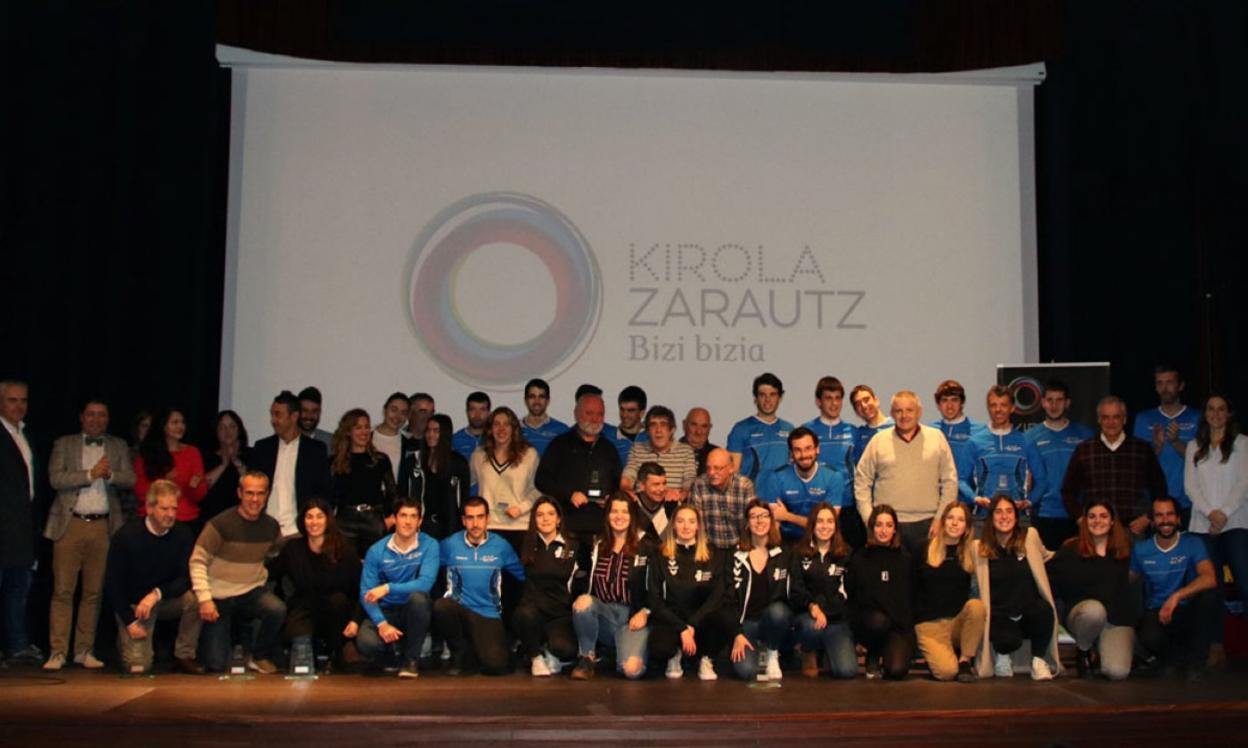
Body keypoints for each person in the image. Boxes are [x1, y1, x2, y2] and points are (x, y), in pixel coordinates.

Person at [43, 396, 136, 670]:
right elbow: (55, 478)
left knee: (93, 592)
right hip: (70, 523)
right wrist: (89, 474)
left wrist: (109, 475)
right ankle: (57, 651)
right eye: (91, 414)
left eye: (102, 415)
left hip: (103, 526)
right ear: (82, 417)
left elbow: (130, 478)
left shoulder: (118, 445)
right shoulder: (64, 443)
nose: (96, 420)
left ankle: (84, 650)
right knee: (63, 590)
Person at [189, 470, 287, 674]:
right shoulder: (219, 524)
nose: (255, 499)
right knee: (216, 665)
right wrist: (205, 599)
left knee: (277, 609)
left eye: (260, 493)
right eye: (249, 493)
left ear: (267, 495)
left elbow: (273, 553)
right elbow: (197, 561)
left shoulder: (271, 526)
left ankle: (258, 656)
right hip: (218, 596)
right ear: (239, 493)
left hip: (251, 592)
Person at [104, 479, 203, 674]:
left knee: (197, 600)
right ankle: (124, 642)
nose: (171, 514)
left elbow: (185, 578)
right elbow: (113, 584)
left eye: (174, 509)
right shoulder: (126, 537)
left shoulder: (182, 534)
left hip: (163, 599)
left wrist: (156, 594)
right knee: (139, 667)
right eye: (164, 509)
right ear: (149, 508)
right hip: (135, 607)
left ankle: (184, 655)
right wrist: (129, 621)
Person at [854, 391, 958, 556]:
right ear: (892, 413)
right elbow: (861, 481)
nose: (904, 416)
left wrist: (940, 518)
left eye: (909, 410)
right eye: (898, 411)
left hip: (929, 525)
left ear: (919, 412)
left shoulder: (936, 438)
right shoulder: (878, 441)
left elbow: (950, 482)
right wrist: (869, 519)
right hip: (888, 526)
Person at [1186, 393, 1247, 667]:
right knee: (1212, 588)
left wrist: (1223, 513)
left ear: (1229, 414)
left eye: (1222, 409)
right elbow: (1190, 487)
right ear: (1205, 414)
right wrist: (1210, 513)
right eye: (1211, 409)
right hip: (1203, 525)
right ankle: (1215, 644)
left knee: (1244, 582)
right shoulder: (1194, 446)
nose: (1216, 414)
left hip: (1236, 523)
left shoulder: (1243, 444)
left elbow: (1244, 483)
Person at [972, 495, 1061, 680]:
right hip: (999, 616)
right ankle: (1002, 656)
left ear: (1016, 515)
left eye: (1009, 511)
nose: (1004, 517)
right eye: (998, 512)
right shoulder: (979, 548)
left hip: (1027, 612)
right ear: (991, 517)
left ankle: (1038, 660)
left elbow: (1048, 557)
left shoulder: (1030, 537)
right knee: (1008, 639)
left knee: (1044, 610)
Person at [269, 497, 363, 673]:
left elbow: (360, 589)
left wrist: (355, 620)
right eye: (309, 517)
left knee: (338, 601)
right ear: (302, 521)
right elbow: (271, 572)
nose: (314, 522)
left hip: (338, 611)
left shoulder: (344, 550)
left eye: (319, 517)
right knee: (296, 639)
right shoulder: (293, 549)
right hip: (304, 608)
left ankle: (337, 652)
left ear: (328, 520)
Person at [435, 496, 526, 676]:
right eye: (470, 518)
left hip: (488, 613)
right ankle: (458, 651)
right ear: (463, 520)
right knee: (441, 606)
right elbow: (429, 569)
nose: (475, 523)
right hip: (459, 609)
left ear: (487, 519)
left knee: (496, 665)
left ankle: (475, 650)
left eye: (480, 517)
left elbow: (522, 576)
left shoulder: (501, 546)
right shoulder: (449, 544)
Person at [1046, 500, 1136, 680]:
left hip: (1115, 619)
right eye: (1092, 516)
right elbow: (1049, 580)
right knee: (1094, 611)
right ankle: (1084, 650)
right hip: (1083, 615)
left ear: (1112, 521)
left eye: (1103, 516)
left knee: (1117, 672)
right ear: (1085, 521)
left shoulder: (1126, 549)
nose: (1098, 521)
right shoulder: (1070, 549)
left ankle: (1102, 649)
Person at [1131, 496, 1219, 679]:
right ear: (1152, 521)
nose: (1165, 520)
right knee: (1148, 635)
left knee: (1209, 598)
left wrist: (1176, 596)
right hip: (1157, 612)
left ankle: (1196, 663)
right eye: (1159, 515)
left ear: (1178, 519)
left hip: (1187, 610)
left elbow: (1209, 578)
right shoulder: (1141, 549)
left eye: (1170, 514)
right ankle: (1171, 660)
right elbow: (1126, 580)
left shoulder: (1193, 543)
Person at [570, 495, 652, 680]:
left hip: (633, 618)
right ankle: (587, 657)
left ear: (632, 516)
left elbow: (658, 586)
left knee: (632, 671)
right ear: (607, 515)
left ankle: (623, 651)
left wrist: (646, 612)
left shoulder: (647, 545)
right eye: (614, 511)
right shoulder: (597, 544)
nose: (619, 516)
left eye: (624, 512)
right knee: (583, 602)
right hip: (604, 613)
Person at [357, 496, 439, 678]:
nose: (408, 522)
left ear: (420, 521)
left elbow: (425, 583)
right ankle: (391, 653)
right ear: (394, 519)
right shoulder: (376, 550)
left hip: (412, 609)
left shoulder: (430, 545)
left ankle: (411, 660)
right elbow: (366, 593)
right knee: (366, 643)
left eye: (413, 516)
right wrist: (382, 623)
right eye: (403, 515)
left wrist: (387, 588)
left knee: (419, 598)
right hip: (385, 610)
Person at [710, 499, 792, 681]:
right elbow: (726, 601)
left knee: (779, 612)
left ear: (771, 521)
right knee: (746, 672)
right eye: (754, 517)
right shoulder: (734, 555)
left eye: (764, 516)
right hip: (745, 623)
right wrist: (737, 633)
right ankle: (755, 648)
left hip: (771, 621)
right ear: (747, 523)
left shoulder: (784, 553)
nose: (759, 521)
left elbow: (792, 593)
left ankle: (772, 651)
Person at [1062, 396, 1166, 538]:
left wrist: (1148, 517)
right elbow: (1067, 491)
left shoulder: (1142, 449)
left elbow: (1160, 488)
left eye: (1116, 417)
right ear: (1099, 420)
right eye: (1106, 417)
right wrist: (1081, 518)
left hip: (1133, 531)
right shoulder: (1084, 450)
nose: (1111, 422)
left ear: (1125, 419)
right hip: (1095, 530)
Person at [647, 503, 723, 681]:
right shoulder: (660, 555)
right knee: (659, 648)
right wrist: (682, 628)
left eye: (691, 521)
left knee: (724, 619)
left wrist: (693, 624)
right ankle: (675, 654)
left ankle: (705, 657)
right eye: (680, 521)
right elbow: (655, 600)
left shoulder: (713, 554)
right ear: (673, 525)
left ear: (698, 526)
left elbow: (717, 596)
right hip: (671, 620)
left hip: (700, 620)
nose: (686, 526)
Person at [536, 390, 622, 544]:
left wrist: (611, 498)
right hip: (566, 529)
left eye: (600, 414)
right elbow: (542, 480)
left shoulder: (609, 449)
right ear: (576, 414)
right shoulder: (560, 444)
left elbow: (618, 483)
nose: (595, 419)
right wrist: (569, 494)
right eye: (589, 413)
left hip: (601, 530)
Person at [913, 502, 986, 682]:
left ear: (967, 527)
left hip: (957, 623)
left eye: (961, 520)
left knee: (977, 606)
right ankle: (941, 655)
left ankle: (965, 660)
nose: (954, 523)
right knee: (946, 673)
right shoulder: (923, 548)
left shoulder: (971, 553)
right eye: (950, 518)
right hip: (930, 625)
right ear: (943, 521)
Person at [251, 390, 332, 539]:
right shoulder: (262, 448)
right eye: (272, 414)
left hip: (299, 531)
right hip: (265, 529)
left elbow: (324, 492)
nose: (273, 420)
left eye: (278, 415)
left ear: (294, 416)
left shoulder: (315, 450)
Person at [788, 502, 856, 679]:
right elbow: (795, 588)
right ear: (812, 524)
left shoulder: (846, 553)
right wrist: (813, 606)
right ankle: (808, 650)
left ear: (836, 525)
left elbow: (851, 591)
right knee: (812, 627)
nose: (825, 526)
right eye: (820, 521)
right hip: (808, 616)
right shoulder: (799, 552)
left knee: (847, 671)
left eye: (829, 521)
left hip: (836, 619)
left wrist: (830, 610)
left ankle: (828, 650)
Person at [513, 496, 579, 676]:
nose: (545, 519)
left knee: (565, 649)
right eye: (540, 515)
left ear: (558, 519)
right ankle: (536, 657)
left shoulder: (573, 545)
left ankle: (547, 649)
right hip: (532, 613)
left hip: (560, 614)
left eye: (550, 514)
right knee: (524, 614)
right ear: (534, 520)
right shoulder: (524, 544)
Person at [846, 505, 914, 679]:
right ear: (871, 527)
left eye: (889, 525)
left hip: (897, 624)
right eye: (879, 525)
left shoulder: (905, 558)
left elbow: (909, 597)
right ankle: (873, 652)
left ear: (895, 529)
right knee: (878, 621)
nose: (884, 530)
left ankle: (887, 651)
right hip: (869, 622)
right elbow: (852, 594)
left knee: (897, 671)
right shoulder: (859, 557)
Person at [1026, 380, 1095, 550]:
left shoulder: (1085, 435)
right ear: (1043, 402)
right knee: (1043, 564)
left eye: (1059, 400)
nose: (1054, 405)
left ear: (1067, 403)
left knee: (1074, 564)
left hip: (1076, 515)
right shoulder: (1029, 437)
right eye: (1050, 400)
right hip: (1043, 514)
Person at [0, 380, 40, 664]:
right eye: (12, 400)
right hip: (3, 525)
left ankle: (17, 645)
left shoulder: (25, 434)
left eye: (23, 400)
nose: (19, 406)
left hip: (22, 528)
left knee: (18, 588)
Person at [1134, 365, 1201, 525]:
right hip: (1154, 502)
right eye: (1160, 383)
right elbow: (1138, 465)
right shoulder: (1144, 419)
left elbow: (1202, 461)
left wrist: (1176, 442)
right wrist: (1157, 447)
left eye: (1170, 382)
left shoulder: (1197, 417)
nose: (1165, 388)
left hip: (1189, 501)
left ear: (1181, 385)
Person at [967, 385, 1048, 518]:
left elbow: (1042, 479)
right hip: (984, 517)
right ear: (988, 408)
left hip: (1018, 517)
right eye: (993, 405)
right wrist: (975, 498)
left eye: (1003, 405)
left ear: (1012, 408)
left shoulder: (1026, 441)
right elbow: (961, 478)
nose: (998, 410)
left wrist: (1028, 502)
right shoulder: (975, 442)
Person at [756, 427, 845, 542]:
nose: (804, 455)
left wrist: (788, 516)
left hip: (821, 538)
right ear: (791, 453)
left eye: (808, 448)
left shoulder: (834, 477)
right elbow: (775, 520)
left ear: (817, 449)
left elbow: (827, 524)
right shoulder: (776, 477)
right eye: (797, 450)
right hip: (787, 540)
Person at [331, 408, 398, 559]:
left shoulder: (380, 460)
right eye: (358, 427)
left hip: (373, 519)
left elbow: (392, 493)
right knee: (347, 566)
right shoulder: (335, 462)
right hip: (345, 521)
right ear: (348, 431)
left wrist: (389, 520)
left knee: (375, 565)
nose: (364, 432)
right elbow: (331, 497)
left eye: (367, 427)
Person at [471, 406, 539, 549]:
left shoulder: (529, 454)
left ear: (514, 428)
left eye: (506, 424)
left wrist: (521, 508)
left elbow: (538, 489)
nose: (501, 429)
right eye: (496, 424)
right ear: (490, 429)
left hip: (520, 526)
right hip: (489, 526)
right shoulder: (479, 455)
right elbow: (466, 484)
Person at [134, 407, 207, 530]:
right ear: (163, 425)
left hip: (185, 519)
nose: (180, 426)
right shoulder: (148, 453)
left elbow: (200, 495)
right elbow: (140, 491)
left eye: (182, 422)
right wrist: (163, 481)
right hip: (154, 519)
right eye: (174, 422)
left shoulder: (192, 452)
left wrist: (194, 487)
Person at [398, 413, 467, 541]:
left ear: (445, 434)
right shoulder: (413, 461)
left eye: (436, 431)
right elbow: (403, 493)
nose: (431, 435)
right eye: (428, 430)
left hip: (450, 529)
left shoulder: (459, 463)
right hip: (420, 527)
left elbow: (464, 499)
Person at [621, 405, 698, 506]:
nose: (658, 430)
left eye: (663, 425)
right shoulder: (637, 449)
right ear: (647, 431)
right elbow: (627, 479)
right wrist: (629, 493)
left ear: (672, 429)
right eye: (653, 425)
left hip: (672, 507)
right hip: (641, 509)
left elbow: (690, 483)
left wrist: (679, 495)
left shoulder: (686, 451)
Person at [727, 373, 795, 482]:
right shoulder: (740, 429)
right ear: (755, 398)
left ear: (780, 398)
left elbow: (795, 469)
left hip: (781, 493)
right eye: (762, 395)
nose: (767, 400)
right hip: (752, 493)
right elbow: (732, 474)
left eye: (772, 394)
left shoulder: (789, 429)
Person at [803, 376, 857, 510]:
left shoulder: (854, 432)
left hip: (847, 504)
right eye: (828, 398)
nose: (834, 403)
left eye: (838, 398)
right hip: (814, 504)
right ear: (818, 402)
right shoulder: (806, 430)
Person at [691, 447, 758, 552]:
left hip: (741, 547)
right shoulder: (699, 484)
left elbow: (752, 521)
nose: (711, 473)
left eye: (717, 468)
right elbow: (695, 522)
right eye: (708, 468)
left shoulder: (745, 485)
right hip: (710, 548)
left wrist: (744, 549)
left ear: (731, 468)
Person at [930, 380, 983, 506]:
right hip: (935, 502)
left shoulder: (980, 431)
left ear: (962, 402)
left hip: (968, 502)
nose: (949, 406)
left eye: (954, 400)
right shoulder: (930, 431)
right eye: (944, 400)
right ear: (938, 404)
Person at [200, 410, 252, 523]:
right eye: (222, 427)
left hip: (242, 517)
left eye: (232, 426)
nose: (228, 431)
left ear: (239, 430)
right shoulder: (207, 456)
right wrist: (223, 464)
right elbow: (202, 486)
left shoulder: (250, 454)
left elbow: (253, 485)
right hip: (213, 518)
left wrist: (236, 461)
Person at [519, 379, 569, 457]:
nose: (537, 402)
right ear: (526, 400)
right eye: (532, 397)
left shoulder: (562, 430)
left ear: (548, 401)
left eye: (541, 397)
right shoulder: (515, 429)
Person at [603, 385, 649, 464]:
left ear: (642, 413)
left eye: (630, 410)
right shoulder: (607, 434)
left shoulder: (651, 436)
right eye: (622, 409)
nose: (624, 415)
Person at [849, 384, 893, 464]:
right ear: (856, 412)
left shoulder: (898, 427)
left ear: (876, 401)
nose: (864, 406)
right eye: (858, 404)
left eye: (866, 400)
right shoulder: (858, 436)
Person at [371, 392, 410, 482]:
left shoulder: (409, 445)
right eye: (394, 410)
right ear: (384, 410)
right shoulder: (365, 438)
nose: (397, 416)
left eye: (403, 413)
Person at [632, 462, 675, 541]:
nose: (662, 489)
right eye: (656, 484)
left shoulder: (672, 505)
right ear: (642, 486)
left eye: (664, 483)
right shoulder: (631, 505)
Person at [452, 391, 491, 466]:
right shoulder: (455, 440)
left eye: (482, 410)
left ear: (489, 413)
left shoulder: (495, 439)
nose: (477, 415)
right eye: (473, 409)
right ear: (467, 412)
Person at [680, 406, 718, 477]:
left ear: (710, 428)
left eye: (704, 426)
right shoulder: (669, 452)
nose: (698, 431)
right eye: (694, 425)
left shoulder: (718, 455)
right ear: (684, 425)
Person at [297, 386, 333, 455]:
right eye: (305, 410)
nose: (309, 416)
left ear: (320, 412)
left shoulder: (331, 443)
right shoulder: (285, 440)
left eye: (314, 411)